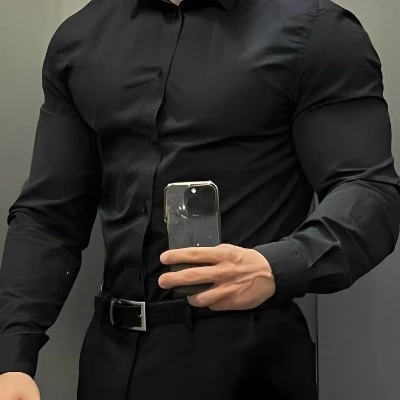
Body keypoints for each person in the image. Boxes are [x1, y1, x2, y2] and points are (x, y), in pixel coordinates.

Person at [1, 0, 399, 399]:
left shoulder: (315, 30)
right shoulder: (82, 37)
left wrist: (279, 266)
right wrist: (11, 358)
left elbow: (370, 190)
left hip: (248, 362)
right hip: (109, 361)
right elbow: (50, 216)